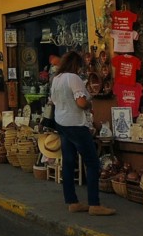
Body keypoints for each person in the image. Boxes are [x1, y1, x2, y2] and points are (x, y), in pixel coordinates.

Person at [49, 50, 115, 216]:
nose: (81, 70)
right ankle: (94, 204)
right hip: (76, 124)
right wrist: (88, 103)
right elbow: (80, 102)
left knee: (68, 162)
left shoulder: (56, 79)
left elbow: (55, 101)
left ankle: (72, 201)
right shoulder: (73, 78)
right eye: (80, 66)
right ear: (76, 65)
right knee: (92, 162)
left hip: (61, 123)